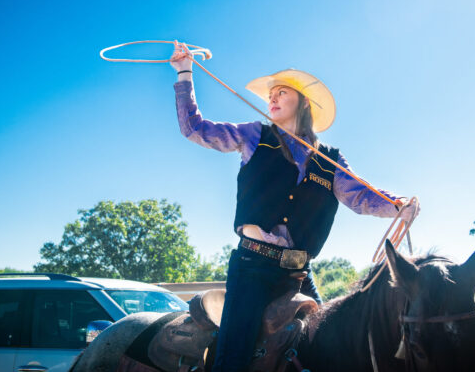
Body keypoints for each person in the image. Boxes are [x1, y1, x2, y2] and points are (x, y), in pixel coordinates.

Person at [169, 42, 418, 372]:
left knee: (331, 350)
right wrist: (185, 73)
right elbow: (195, 129)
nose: (272, 98)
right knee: (232, 361)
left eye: (281, 92)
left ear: (303, 103)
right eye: (271, 94)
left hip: (299, 272)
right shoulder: (255, 134)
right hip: (252, 266)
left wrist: (397, 204)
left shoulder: (330, 159)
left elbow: (360, 196)